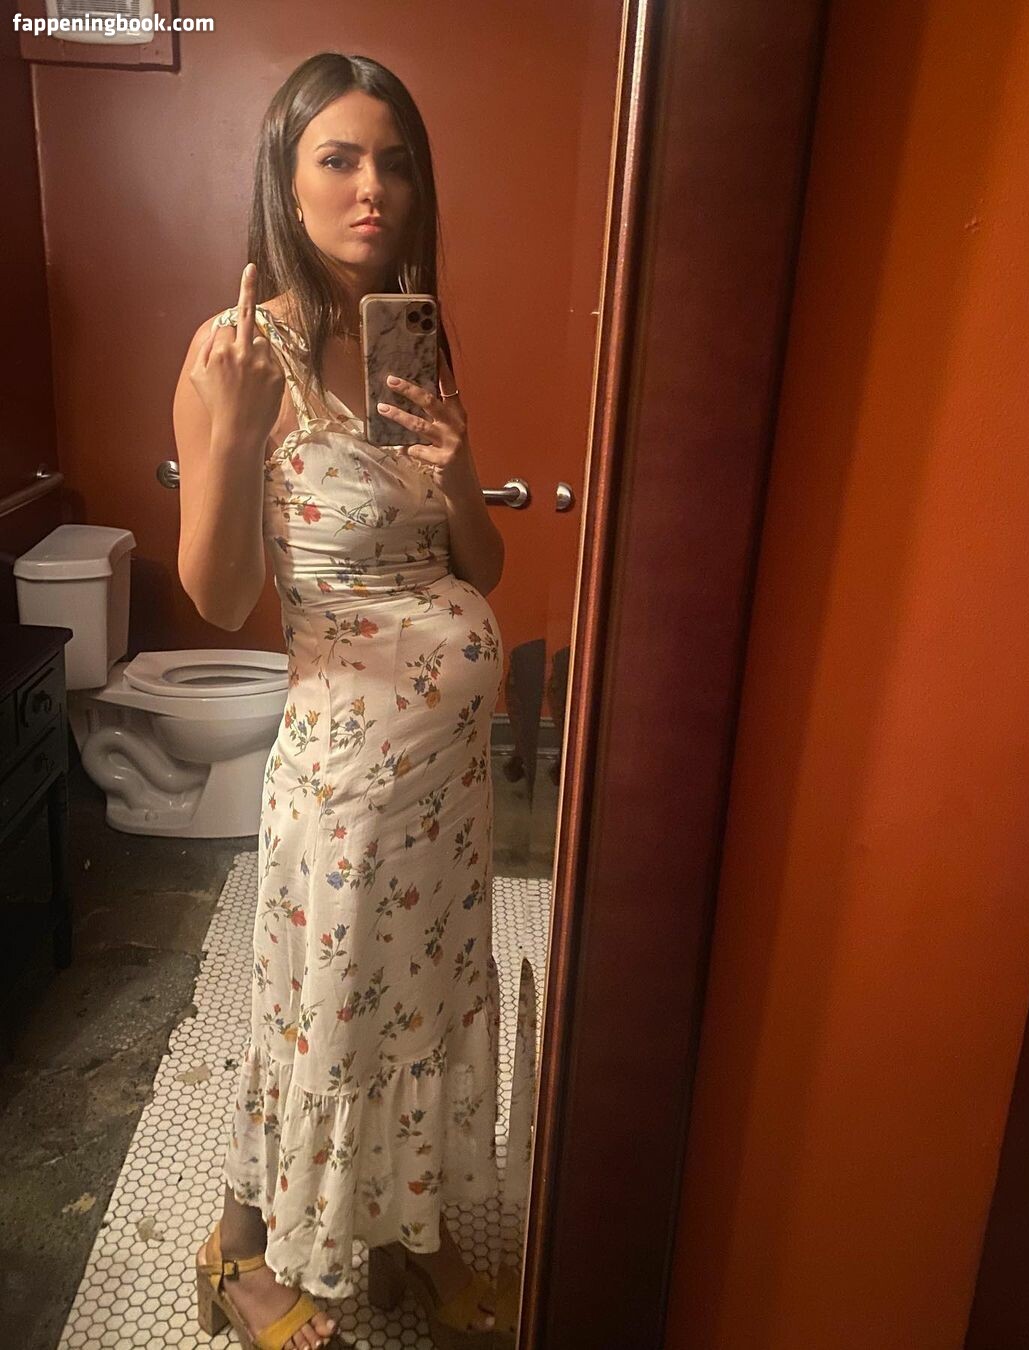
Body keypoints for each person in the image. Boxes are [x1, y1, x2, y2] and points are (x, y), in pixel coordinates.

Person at [173, 51, 514, 1350]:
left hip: (448, 788)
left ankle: (408, 1232)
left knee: (417, 1014)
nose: (374, 188)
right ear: (289, 178)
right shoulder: (235, 356)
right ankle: (237, 1250)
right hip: (346, 788)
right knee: (319, 1018)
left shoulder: (409, 340)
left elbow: (479, 567)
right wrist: (229, 431)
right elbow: (217, 599)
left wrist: (460, 466)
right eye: (340, 158)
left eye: (396, 162)